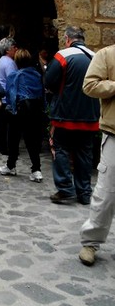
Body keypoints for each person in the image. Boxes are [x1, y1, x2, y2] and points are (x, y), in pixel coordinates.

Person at [45, 25, 100, 205]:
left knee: (60, 148)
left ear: (68, 39)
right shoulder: (95, 57)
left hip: (65, 114)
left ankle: (65, 188)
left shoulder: (63, 55)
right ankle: (84, 192)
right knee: (84, 152)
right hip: (90, 114)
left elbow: (49, 81)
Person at [78, 43, 115, 266]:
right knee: (106, 192)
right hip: (114, 133)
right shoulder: (107, 54)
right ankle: (90, 242)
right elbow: (90, 85)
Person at [0, 48, 45, 181]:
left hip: (19, 111)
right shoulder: (36, 74)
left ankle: (11, 166)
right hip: (35, 110)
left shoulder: (14, 76)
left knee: (13, 139)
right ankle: (36, 169)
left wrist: (11, 110)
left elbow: (10, 95)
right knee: (33, 141)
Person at [0, 36, 17, 156]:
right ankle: (3, 146)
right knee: (5, 124)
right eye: (13, 47)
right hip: (6, 97)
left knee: (0, 121)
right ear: (8, 50)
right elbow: (12, 81)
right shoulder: (9, 63)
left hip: (2, 95)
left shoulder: (2, 60)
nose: (16, 49)